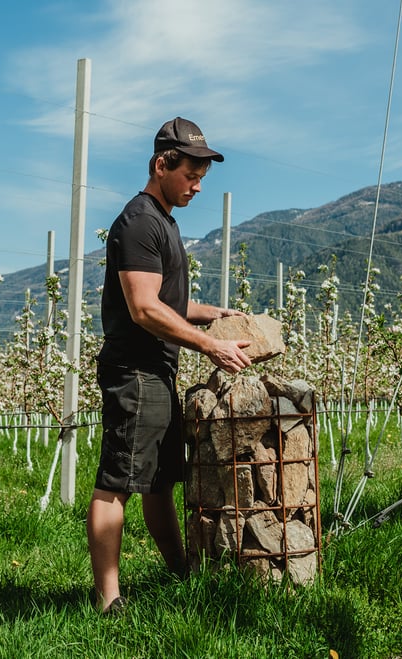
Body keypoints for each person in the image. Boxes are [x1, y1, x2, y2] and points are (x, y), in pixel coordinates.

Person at [87, 117, 252, 614]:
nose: (197, 186)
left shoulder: (164, 221)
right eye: (191, 176)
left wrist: (214, 313)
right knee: (116, 483)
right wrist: (209, 346)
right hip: (135, 371)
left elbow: (167, 301)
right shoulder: (139, 221)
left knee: (159, 482)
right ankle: (107, 599)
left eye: (202, 177)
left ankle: (180, 572)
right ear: (162, 164)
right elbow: (143, 308)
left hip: (157, 369)